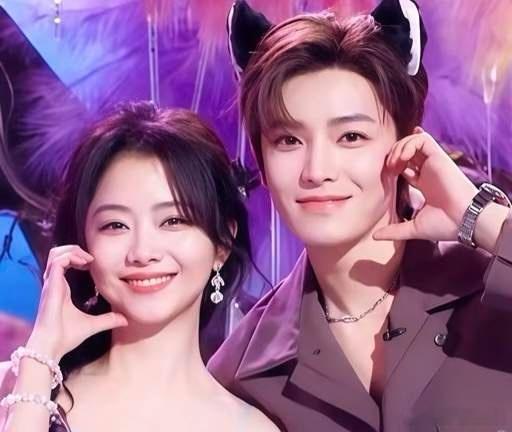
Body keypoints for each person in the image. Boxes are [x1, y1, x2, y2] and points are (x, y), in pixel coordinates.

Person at [208, 1, 512, 431]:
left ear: (408, 143)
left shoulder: (490, 286)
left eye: (351, 136)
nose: (317, 170)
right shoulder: (239, 375)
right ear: (262, 160)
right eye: (288, 140)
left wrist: (478, 215)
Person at [0, 102, 278, 432]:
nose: (143, 252)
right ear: (83, 244)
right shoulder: (17, 388)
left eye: (173, 221)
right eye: (115, 225)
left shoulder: (250, 427)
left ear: (222, 244)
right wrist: (40, 355)